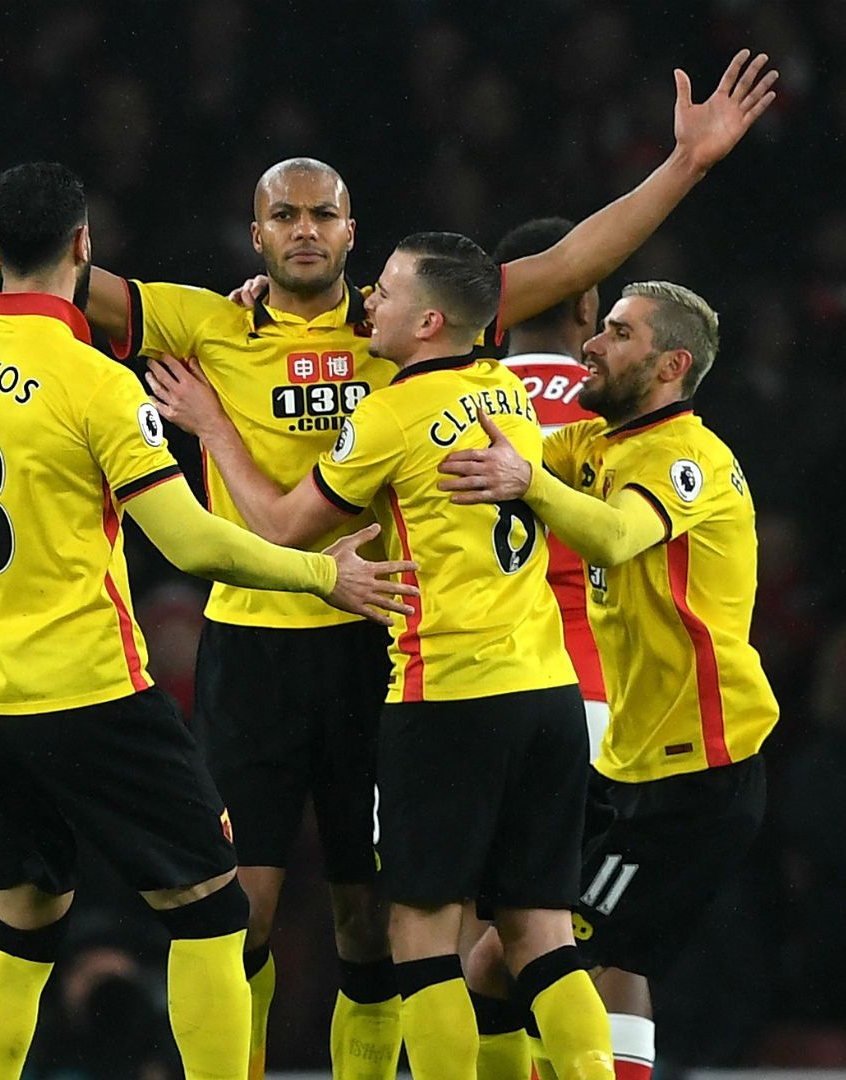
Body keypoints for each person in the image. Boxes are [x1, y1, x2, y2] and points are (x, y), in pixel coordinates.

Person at [0, 50, 774, 1080]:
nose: (304, 230)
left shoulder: (407, 323)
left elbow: (572, 261)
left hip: (380, 651)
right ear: (257, 234)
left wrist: (685, 166)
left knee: (371, 930)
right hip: (255, 649)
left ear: (352, 233)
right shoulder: (209, 322)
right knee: (243, 914)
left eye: (323, 214)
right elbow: (48, 268)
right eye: (285, 215)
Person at [0, 161, 416, 1080]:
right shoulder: (98, 387)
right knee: (214, 917)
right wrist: (318, 574)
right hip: (96, 697)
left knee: (19, 938)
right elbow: (193, 545)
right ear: (84, 247)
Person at [148, 232, 615, 1080]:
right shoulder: (506, 391)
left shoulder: (391, 414)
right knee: (539, 935)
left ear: (430, 321)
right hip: (548, 692)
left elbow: (285, 527)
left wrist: (213, 423)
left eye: (388, 293)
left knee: (420, 940)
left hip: (447, 697)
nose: (370, 303)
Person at [437, 282, 778, 1080]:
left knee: (511, 961)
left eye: (619, 334)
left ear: (670, 366)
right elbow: (507, 449)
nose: (593, 345)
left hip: (696, 779)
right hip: (631, 768)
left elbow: (620, 535)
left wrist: (529, 484)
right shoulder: (600, 442)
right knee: (513, 962)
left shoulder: (685, 456)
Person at [460, 218, 609, 1079]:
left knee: (442, 944)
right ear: (588, 303)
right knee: (569, 943)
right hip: (598, 703)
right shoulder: (615, 410)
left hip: (464, 693)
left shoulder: (447, 399)